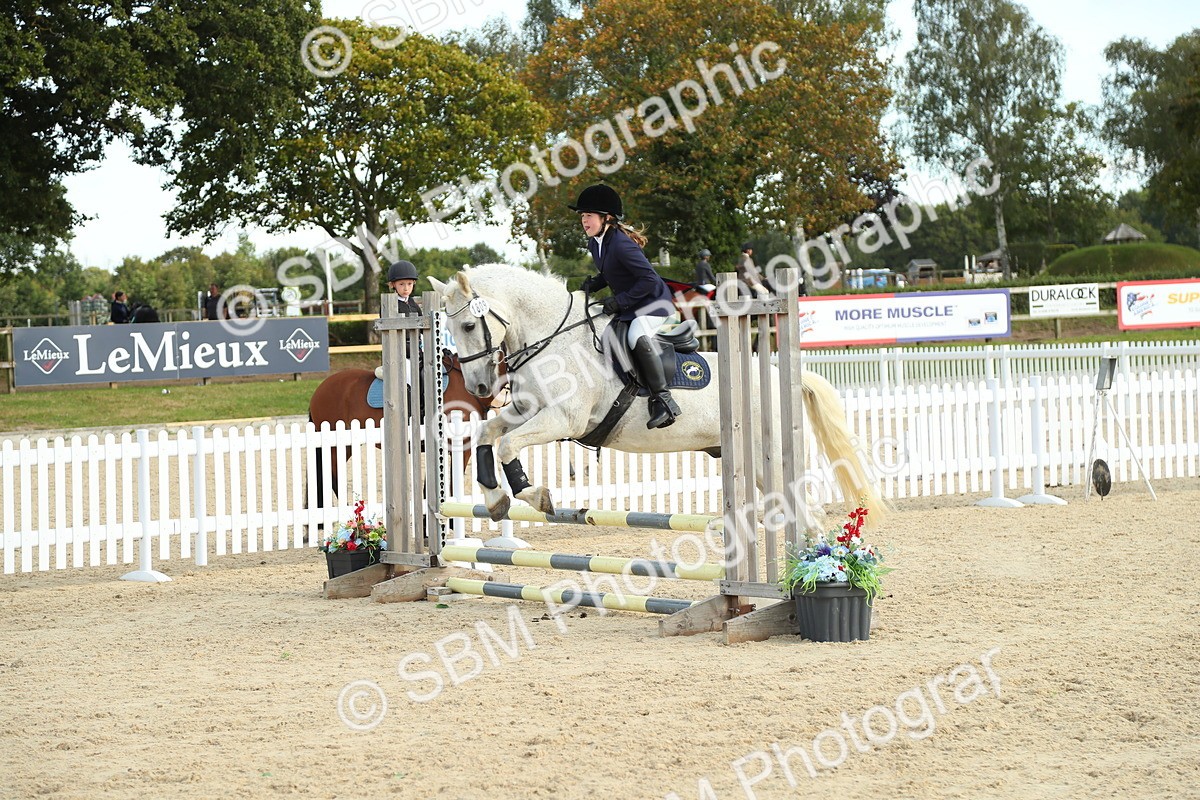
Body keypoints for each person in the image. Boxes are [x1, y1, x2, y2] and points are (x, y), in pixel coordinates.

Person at [571, 184, 681, 429]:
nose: (584, 220)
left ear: (606, 217)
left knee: (635, 335)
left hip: (654, 304)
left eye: (588, 215)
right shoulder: (596, 242)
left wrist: (619, 301)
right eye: (582, 215)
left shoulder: (621, 244)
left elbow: (650, 279)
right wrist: (595, 283)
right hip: (632, 305)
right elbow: (613, 271)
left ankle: (664, 400)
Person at [375, 259, 422, 381]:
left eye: (409, 284)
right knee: (409, 377)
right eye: (402, 284)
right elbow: (393, 336)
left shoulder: (413, 304)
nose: (406, 288)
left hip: (416, 351)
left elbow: (423, 331)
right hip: (398, 354)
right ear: (393, 285)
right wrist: (413, 351)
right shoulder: (389, 305)